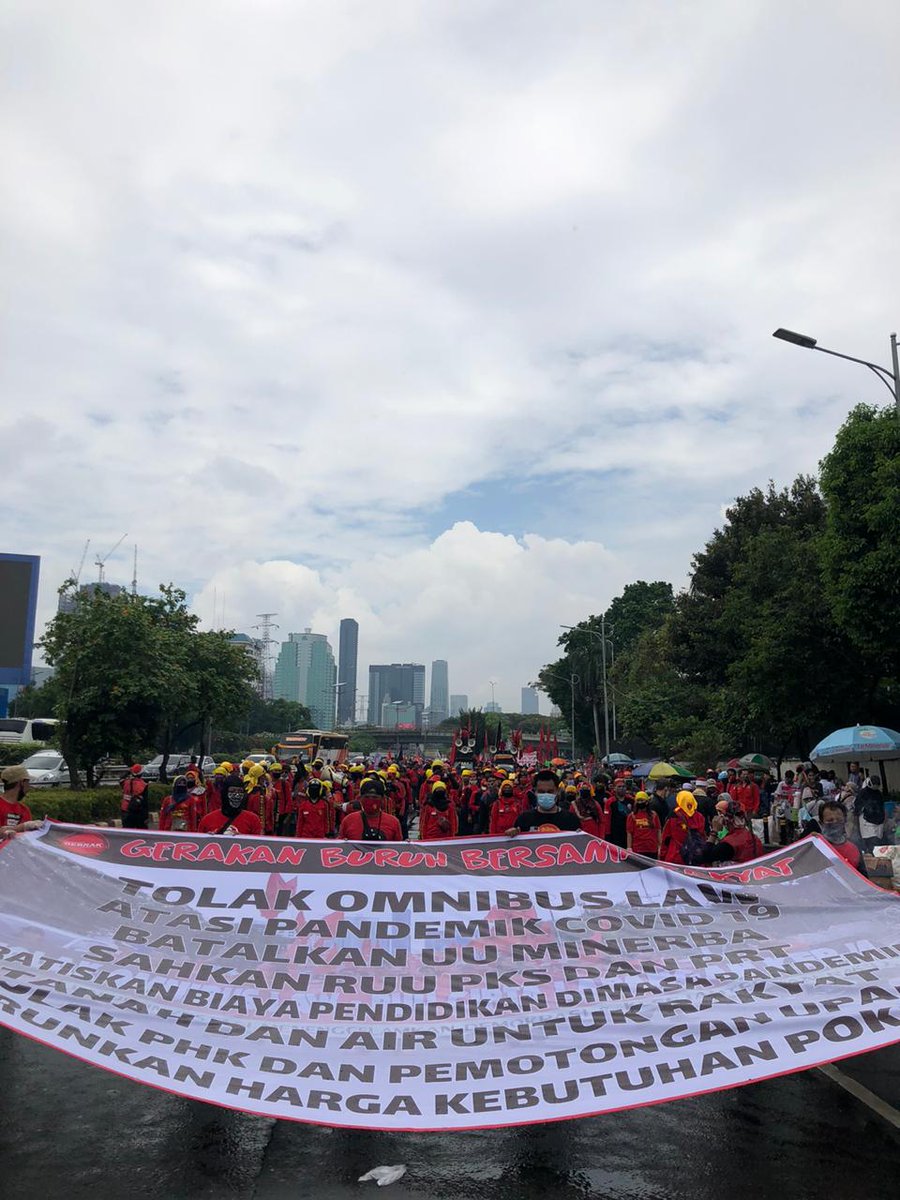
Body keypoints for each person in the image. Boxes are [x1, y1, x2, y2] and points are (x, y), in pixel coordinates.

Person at [508, 770, 582, 835]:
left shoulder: (571, 820)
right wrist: (511, 835)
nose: (546, 795)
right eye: (541, 792)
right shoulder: (524, 819)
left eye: (550, 792)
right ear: (535, 792)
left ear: (558, 791)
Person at [338, 776, 403, 841]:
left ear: (383, 799)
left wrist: (408, 845)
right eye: (367, 797)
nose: (370, 800)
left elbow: (399, 847)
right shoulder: (348, 820)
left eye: (375, 797)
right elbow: (339, 845)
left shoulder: (393, 822)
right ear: (360, 798)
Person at [701, 800, 763, 865]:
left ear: (725, 819)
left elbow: (705, 857)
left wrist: (714, 831)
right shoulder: (754, 837)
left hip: (735, 874)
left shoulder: (728, 844)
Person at [198, 775, 262, 835]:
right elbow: (199, 843)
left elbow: (257, 844)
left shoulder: (253, 820)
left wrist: (242, 838)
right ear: (225, 793)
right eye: (232, 791)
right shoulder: (207, 820)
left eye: (240, 791)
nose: (237, 795)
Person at [819, 800, 868, 876]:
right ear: (821, 823)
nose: (835, 823)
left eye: (839, 820)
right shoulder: (816, 848)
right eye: (830, 820)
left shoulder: (854, 849)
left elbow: (863, 879)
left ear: (844, 821)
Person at [660, 791, 706, 865]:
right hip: (695, 859)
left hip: (675, 857)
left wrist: (662, 857)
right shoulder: (700, 817)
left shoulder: (674, 816)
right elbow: (702, 836)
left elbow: (665, 839)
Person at [0, 765, 43, 838]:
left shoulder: (24, 810)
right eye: (28, 782)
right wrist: (22, 827)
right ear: (22, 782)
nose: (29, 787)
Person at [855, 774, 885, 853]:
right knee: (871, 841)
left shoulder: (878, 793)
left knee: (878, 841)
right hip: (867, 821)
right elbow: (857, 807)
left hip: (879, 821)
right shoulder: (863, 793)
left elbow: (882, 806)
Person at [626, 791, 661, 858]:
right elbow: (629, 833)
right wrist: (629, 848)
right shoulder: (632, 816)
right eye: (638, 800)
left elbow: (658, 830)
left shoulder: (654, 815)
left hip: (652, 849)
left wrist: (660, 846)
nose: (640, 802)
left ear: (647, 801)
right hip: (638, 849)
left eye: (642, 800)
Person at [604, 779, 633, 848]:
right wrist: (607, 834)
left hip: (629, 833)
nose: (621, 788)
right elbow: (607, 819)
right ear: (614, 788)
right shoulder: (610, 802)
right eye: (619, 786)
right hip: (615, 834)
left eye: (623, 786)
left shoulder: (631, 800)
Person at [120, 764, 149, 830]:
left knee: (127, 832)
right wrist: (146, 816)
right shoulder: (144, 785)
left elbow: (121, 778)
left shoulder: (125, 782)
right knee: (141, 832)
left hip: (125, 810)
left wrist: (129, 771)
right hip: (138, 811)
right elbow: (145, 803)